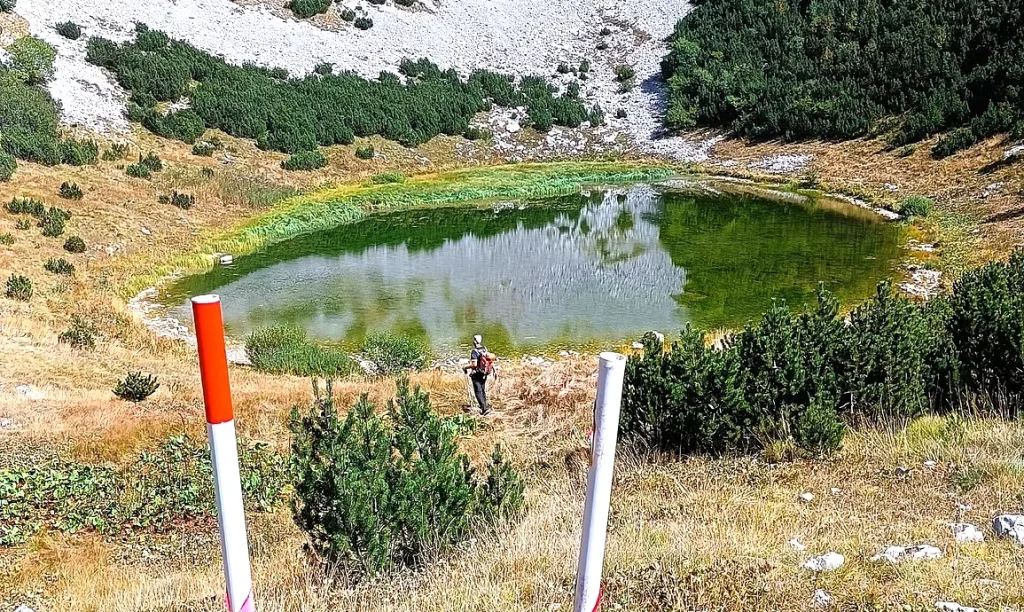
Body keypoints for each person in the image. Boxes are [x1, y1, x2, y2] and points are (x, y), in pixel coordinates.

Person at [464, 334, 494, 415]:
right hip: (484, 373)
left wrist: (465, 367)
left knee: (478, 391)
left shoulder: (474, 351)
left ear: (474, 341)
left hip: (477, 373)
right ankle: (485, 406)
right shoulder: (484, 349)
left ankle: (484, 409)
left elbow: (474, 365)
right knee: (482, 389)